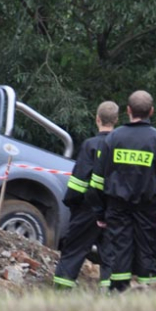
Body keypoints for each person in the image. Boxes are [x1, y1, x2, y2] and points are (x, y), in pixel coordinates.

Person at [89, 90, 156, 292]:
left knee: (120, 251)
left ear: (128, 110)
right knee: (148, 252)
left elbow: (97, 180)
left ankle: (119, 293)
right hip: (148, 208)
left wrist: (100, 211)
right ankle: (151, 295)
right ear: (152, 111)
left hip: (117, 207)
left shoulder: (113, 139)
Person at [54, 101, 119, 290]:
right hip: (113, 210)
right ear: (116, 120)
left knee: (73, 252)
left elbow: (78, 181)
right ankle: (111, 296)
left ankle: (60, 292)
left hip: (86, 209)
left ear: (97, 119)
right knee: (111, 256)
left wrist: (72, 203)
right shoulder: (121, 146)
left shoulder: (90, 145)